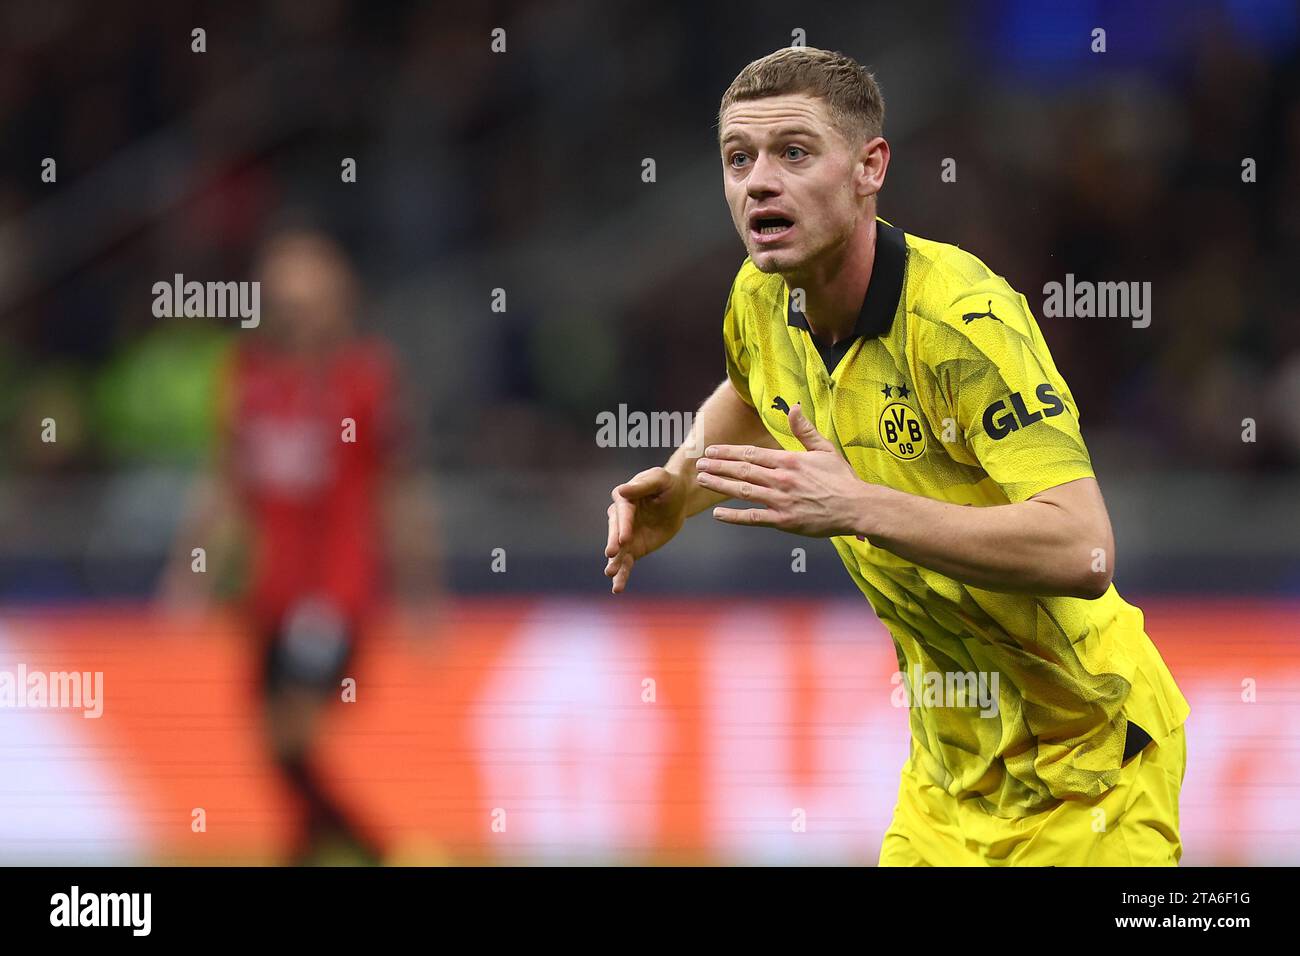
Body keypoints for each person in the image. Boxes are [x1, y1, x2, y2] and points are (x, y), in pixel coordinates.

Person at [603, 47, 1189, 866]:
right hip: (949, 779)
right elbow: (746, 393)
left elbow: (1083, 547)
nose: (758, 182)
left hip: (1089, 767)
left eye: (794, 153)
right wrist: (681, 480)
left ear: (869, 167)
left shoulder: (961, 325)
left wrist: (858, 508)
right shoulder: (761, 297)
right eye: (739, 159)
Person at [159, 227, 441, 865]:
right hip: (268, 594)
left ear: (338, 301)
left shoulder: (365, 381)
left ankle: (385, 851)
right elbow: (226, 487)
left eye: (311, 300)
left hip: (334, 594)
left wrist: (421, 591)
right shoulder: (249, 379)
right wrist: (192, 573)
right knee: (277, 749)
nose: (299, 316)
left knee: (290, 734)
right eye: (286, 301)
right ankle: (314, 852)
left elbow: (396, 491)